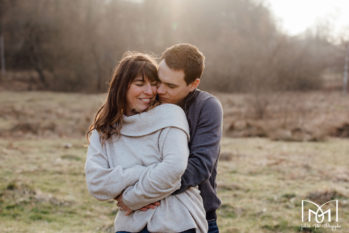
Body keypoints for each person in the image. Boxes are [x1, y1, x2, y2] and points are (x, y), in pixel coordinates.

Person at [85, 52, 208, 233]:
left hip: (177, 221)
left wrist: (131, 198)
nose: (150, 92)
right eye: (140, 84)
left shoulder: (170, 115)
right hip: (130, 225)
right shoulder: (103, 130)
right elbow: (96, 183)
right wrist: (145, 171)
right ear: (121, 87)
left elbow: (174, 168)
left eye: (154, 84)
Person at [117, 44, 223, 233]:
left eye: (171, 86)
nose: (160, 90)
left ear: (193, 84)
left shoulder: (207, 107)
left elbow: (199, 166)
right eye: (159, 81)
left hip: (195, 216)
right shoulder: (147, 101)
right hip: (142, 217)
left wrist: (142, 194)